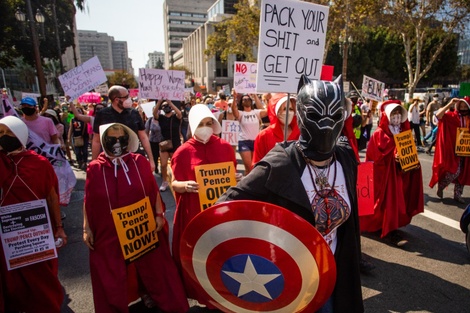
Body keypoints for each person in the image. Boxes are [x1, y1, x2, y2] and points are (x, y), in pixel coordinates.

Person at [217, 76, 364, 313]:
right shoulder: (280, 163)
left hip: (335, 270)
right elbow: (225, 207)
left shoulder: (345, 159)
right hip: (289, 278)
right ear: (303, 115)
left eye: (334, 116)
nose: (326, 126)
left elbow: (351, 220)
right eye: (316, 116)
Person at [82, 122, 189, 313]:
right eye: (111, 138)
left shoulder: (139, 161)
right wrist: (86, 227)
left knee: (153, 265)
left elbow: (152, 190)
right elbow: (88, 199)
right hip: (109, 230)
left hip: (141, 225)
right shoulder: (94, 168)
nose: (116, 142)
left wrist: (158, 214)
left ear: (128, 139)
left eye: (121, 138)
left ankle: (152, 293)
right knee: (111, 272)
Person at [170, 104, 237, 305]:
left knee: (223, 253)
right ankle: (203, 295)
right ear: (192, 125)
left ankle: (226, 293)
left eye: (209, 123)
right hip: (195, 212)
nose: (206, 127)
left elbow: (231, 176)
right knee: (201, 254)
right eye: (201, 124)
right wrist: (183, 185)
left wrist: (237, 178)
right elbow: (174, 183)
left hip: (221, 213)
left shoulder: (225, 147)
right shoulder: (182, 153)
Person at [0, 116, 67, 313]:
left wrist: (59, 228)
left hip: (36, 232)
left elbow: (52, 197)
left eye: (8, 134)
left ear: (20, 135)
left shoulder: (39, 164)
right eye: (0, 134)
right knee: (11, 280)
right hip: (8, 235)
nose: (3, 137)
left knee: (42, 281)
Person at [360, 100, 424, 246]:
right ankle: (387, 230)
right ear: (387, 115)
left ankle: (392, 226)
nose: (396, 116)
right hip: (385, 177)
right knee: (386, 202)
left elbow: (408, 150)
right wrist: (391, 158)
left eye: (398, 113)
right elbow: (373, 157)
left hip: (399, 174)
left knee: (399, 200)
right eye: (393, 113)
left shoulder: (403, 132)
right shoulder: (379, 134)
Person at [92, 85, 155, 172]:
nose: (129, 99)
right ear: (117, 99)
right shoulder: (102, 114)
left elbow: (143, 137)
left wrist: (151, 160)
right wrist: (94, 163)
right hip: (110, 162)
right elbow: (96, 140)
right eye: (126, 97)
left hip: (133, 160)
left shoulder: (134, 113)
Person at [429, 97, 470, 203]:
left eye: (465, 105)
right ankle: (441, 185)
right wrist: (450, 104)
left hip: (466, 150)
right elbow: (438, 116)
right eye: (461, 105)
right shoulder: (453, 116)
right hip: (453, 149)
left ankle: (458, 194)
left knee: (463, 173)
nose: (463, 107)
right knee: (455, 172)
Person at [252, 93, 300, 165]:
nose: (288, 113)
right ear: (276, 111)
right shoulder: (263, 136)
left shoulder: (301, 135)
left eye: (291, 109)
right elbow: (256, 165)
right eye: (284, 109)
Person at [231, 92, 268, 175]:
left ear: (251, 101)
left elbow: (266, 111)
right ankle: (246, 186)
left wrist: (255, 96)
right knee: (248, 167)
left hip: (256, 142)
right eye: (244, 99)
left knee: (255, 166)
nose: (246, 100)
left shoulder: (256, 112)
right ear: (241, 102)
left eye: (248, 99)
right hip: (244, 142)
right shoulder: (241, 114)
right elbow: (234, 110)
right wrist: (234, 98)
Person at [145, 105, 164, 175]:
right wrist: (146, 141)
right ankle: (156, 168)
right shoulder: (149, 121)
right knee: (155, 156)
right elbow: (146, 132)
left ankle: (163, 170)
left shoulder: (163, 119)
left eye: (158, 110)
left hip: (162, 142)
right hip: (153, 142)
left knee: (163, 158)